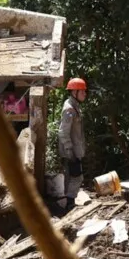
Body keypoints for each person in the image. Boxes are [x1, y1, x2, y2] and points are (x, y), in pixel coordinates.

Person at [58, 77, 88, 210]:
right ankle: (69, 203)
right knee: (76, 177)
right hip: (71, 150)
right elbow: (63, 132)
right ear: (74, 92)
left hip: (74, 148)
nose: (85, 94)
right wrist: (70, 150)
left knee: (72, 176)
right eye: (82, 92)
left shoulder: (74, 106)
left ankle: (68, 201)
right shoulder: (69, 109)